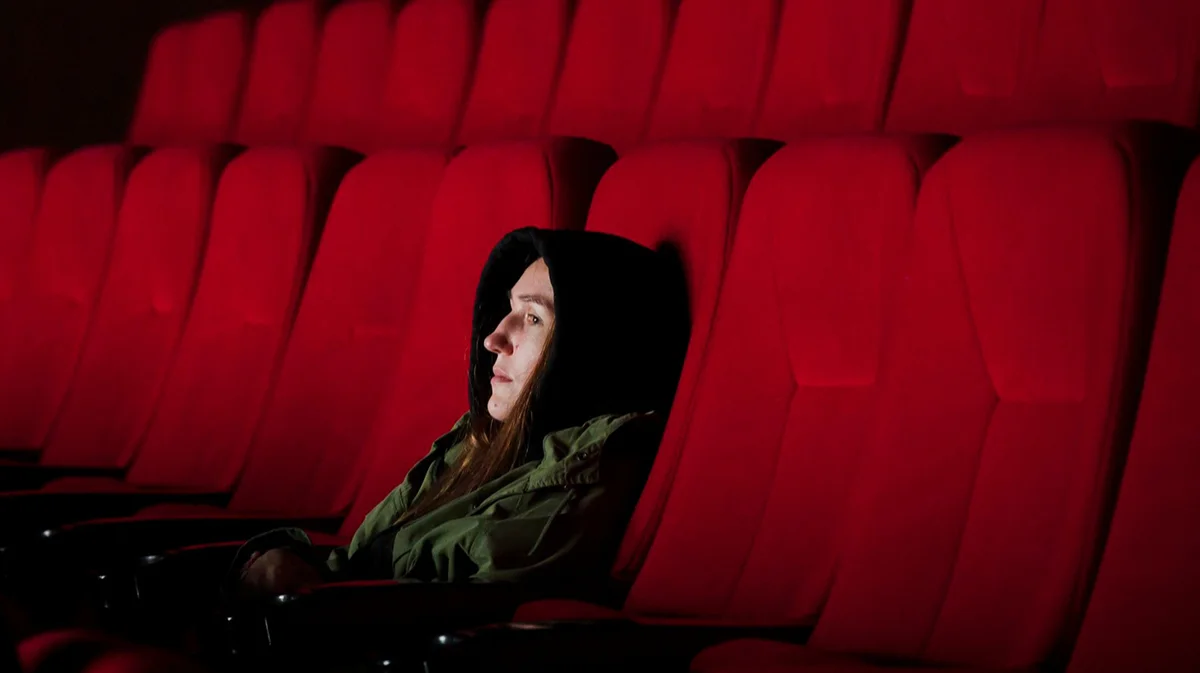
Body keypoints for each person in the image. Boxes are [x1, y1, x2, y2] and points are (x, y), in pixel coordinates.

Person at [230, 227, 690, 598]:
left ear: (589, 350)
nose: (493, 338)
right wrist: (292, 565)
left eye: (532, 318)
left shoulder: (583, 476)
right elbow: (361, 561)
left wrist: (319, 600)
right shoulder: (481, 442)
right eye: (509, 309)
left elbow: (463, 616)